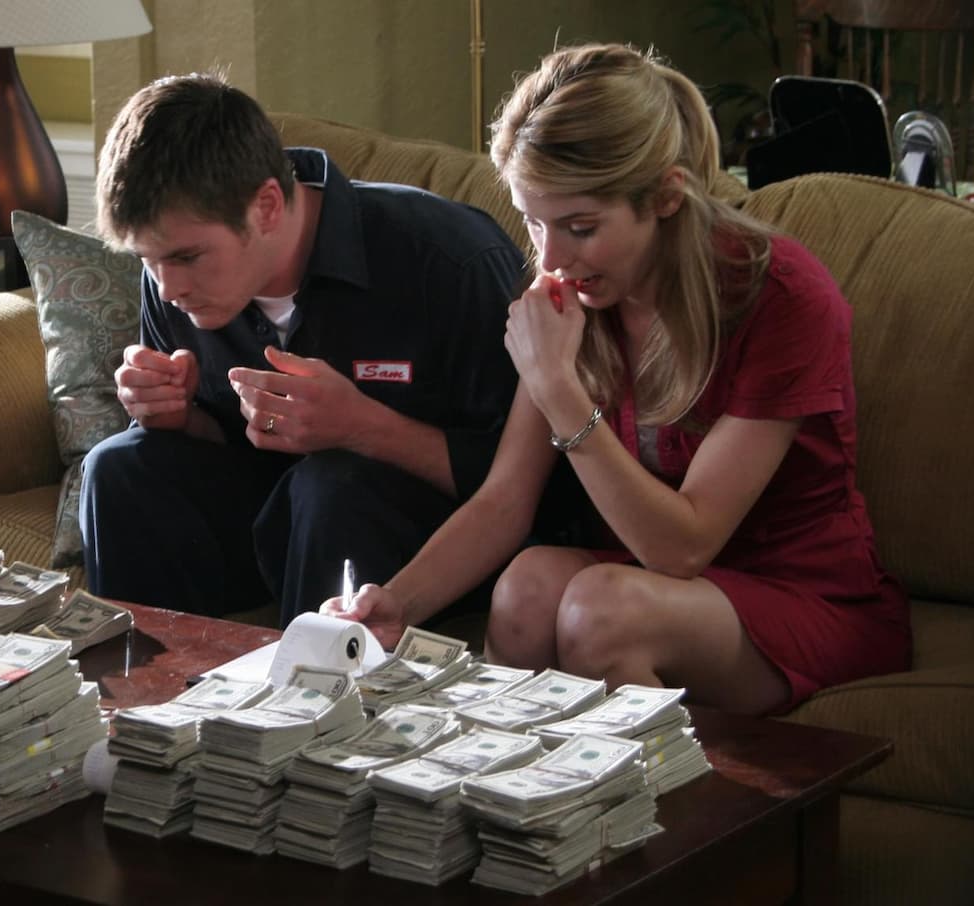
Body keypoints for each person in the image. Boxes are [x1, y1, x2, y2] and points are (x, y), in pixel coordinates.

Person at [323, 44, 910, 715]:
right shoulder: (576, 292)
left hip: (803, 593)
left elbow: (682, 549)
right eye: (533, 222)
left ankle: (672, 789)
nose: (551, 257)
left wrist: (558, 389)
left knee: (601, 611)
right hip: (653, 584)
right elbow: (504, 502)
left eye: (580, 227)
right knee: (526, 586)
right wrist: (398, 603)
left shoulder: (780, 298)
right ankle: (507, 780)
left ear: (667, 196)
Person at [79, 73, 530, 624]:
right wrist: (177, 416)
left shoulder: (449, 260)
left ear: (267, 206)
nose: (168, 289)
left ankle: (313, 679)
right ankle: (147, 676)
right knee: (118, 467)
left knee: (332, 485)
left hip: (423, 539)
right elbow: (229, 450)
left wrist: (363, 428)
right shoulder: (171, 278)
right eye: (146, 260)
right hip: (271, 520)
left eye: (186, 258)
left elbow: (529, 485)